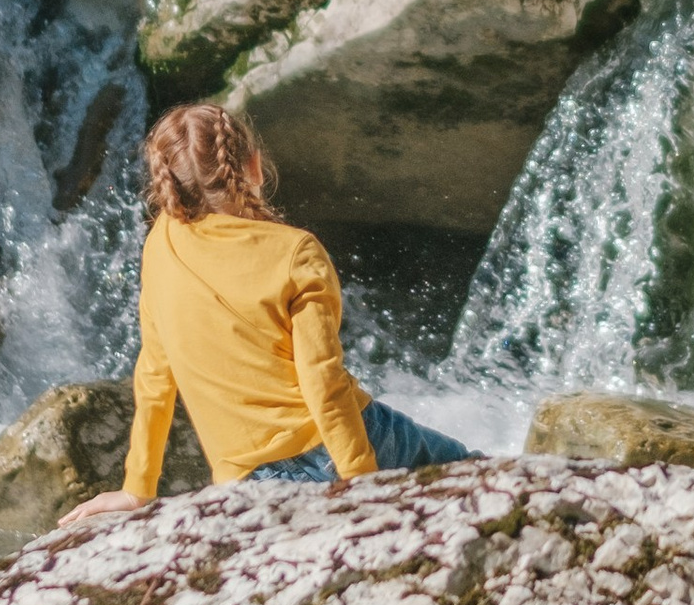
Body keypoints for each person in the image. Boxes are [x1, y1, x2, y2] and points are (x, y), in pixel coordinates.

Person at [58, 100, 471, 528]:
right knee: (473, 472)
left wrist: (136, 488)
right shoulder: (296, 252)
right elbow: (323, 383)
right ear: (253, 167)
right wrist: (359, 482)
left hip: (247, 480)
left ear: (169, 185)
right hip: (336, 447)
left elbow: (155, 377)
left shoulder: (160, 245)